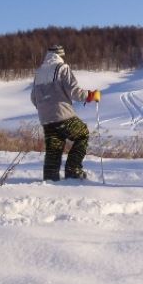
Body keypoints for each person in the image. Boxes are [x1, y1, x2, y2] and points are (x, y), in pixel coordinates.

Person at [31, 44, 100, 181]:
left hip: (46, 118)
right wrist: (91, 96)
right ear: (60, 55)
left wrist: (45, 109)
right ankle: (73, 170)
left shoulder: (39, 73)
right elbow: (74, 92)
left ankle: (50, 179)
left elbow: (34, 98)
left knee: (54, 149)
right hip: (62, 115)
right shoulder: (62, 68)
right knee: (82, 134)